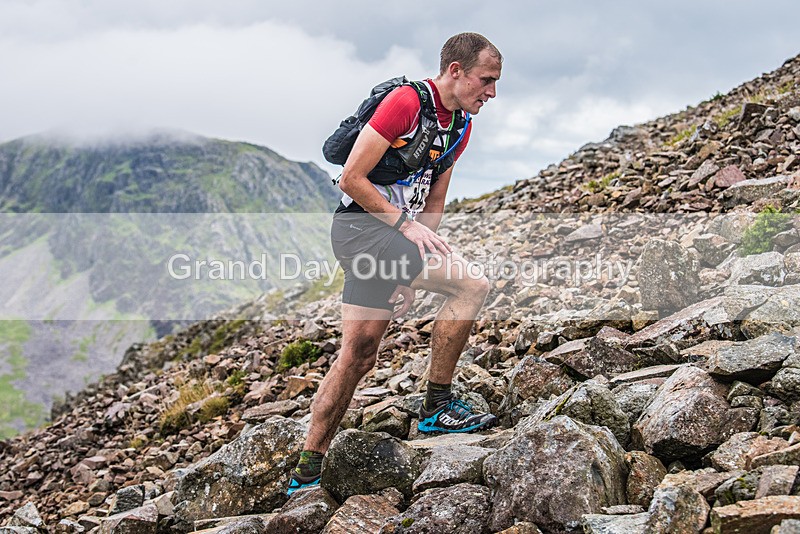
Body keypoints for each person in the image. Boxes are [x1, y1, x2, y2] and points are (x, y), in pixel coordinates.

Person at [288, 32, 503, 495]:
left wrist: (411, 268)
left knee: (360, 353)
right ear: (455, 70)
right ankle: (436, 407)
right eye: (486, 80)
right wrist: (405, 230)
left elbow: (436, 201)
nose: (491, 93)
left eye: (496, 83)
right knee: (471, 287)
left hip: (390, 242)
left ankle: (306, 471)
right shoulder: (406, 102)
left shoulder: (460, 125)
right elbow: (351, 179)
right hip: (362, 231)